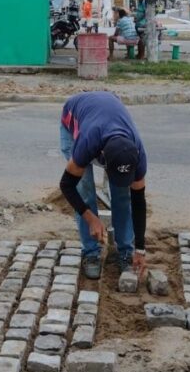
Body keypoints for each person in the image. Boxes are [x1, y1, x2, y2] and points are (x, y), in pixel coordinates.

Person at [59, 91, 148, 280]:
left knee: (123, 195)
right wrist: (91, 218)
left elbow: (139, 203)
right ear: (103, 159)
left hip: (106, 118)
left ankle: (126, 251)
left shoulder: (138, 155)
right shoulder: (87, 143)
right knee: (85, 190)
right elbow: (67, 185)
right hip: (75, 121)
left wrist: (140, 249)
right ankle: (91, 253)